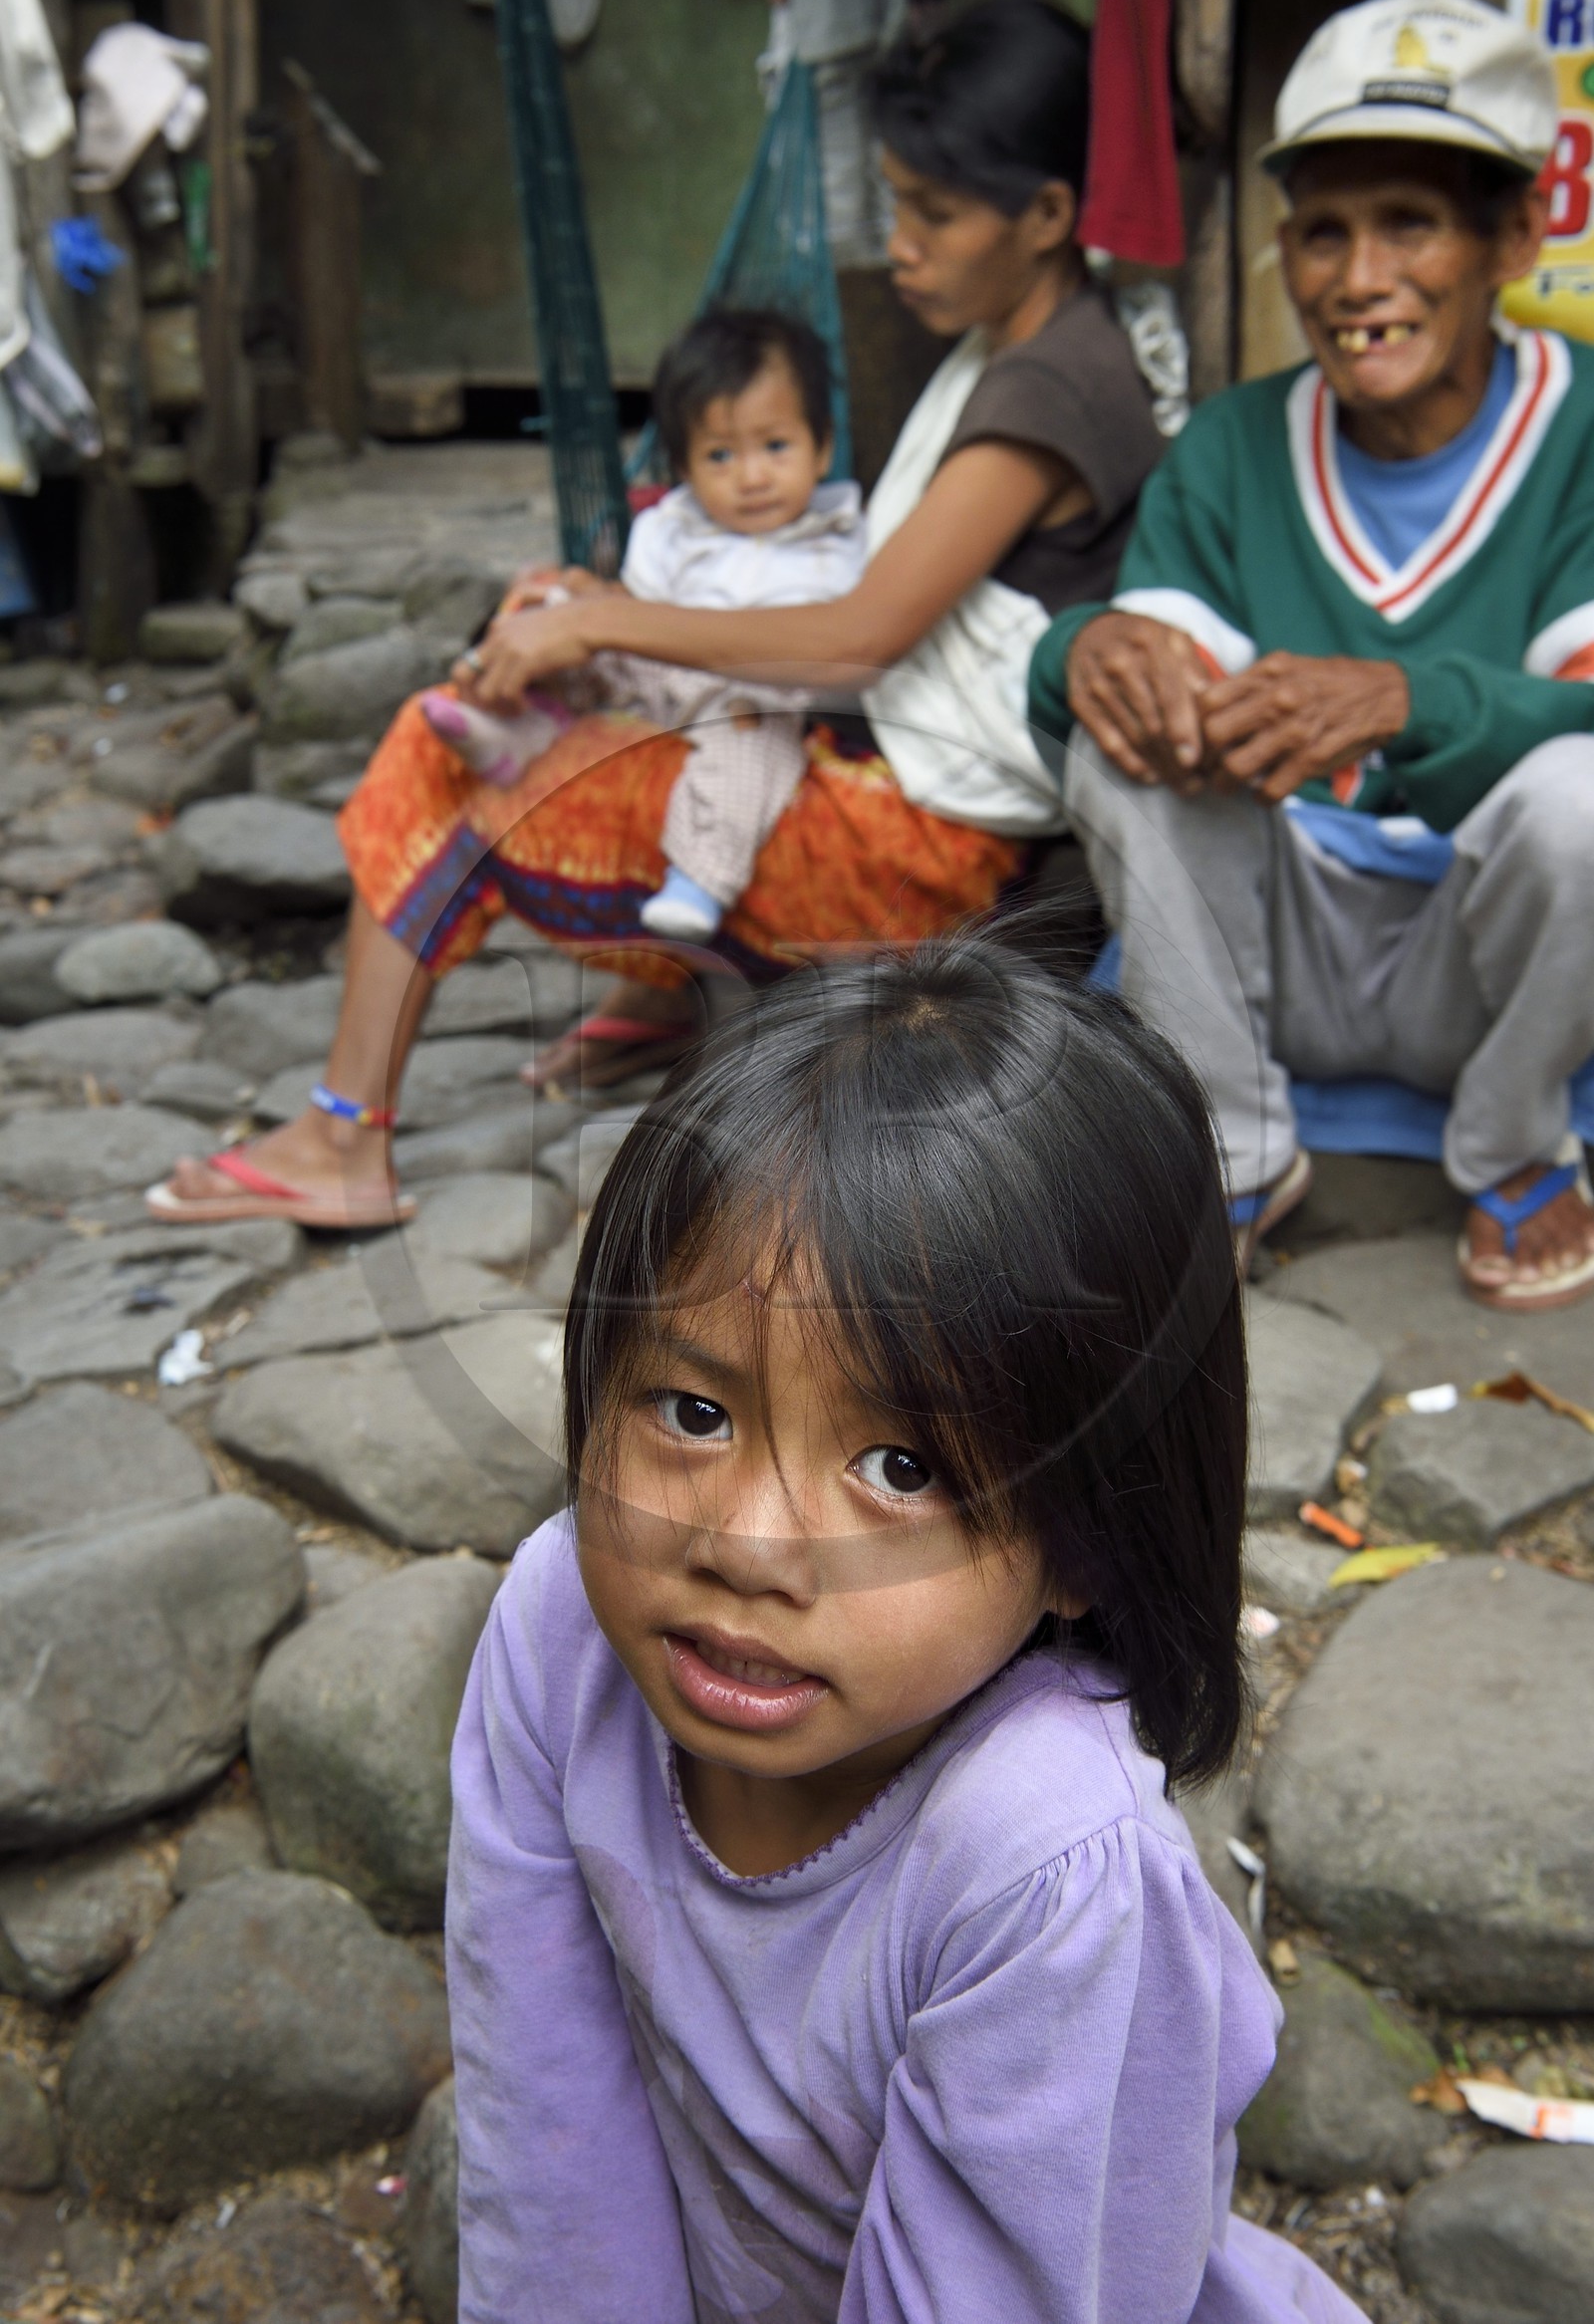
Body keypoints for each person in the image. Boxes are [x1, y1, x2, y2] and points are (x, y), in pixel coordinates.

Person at [446, 919, 1367, 2324]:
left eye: (904, 1466)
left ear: (1083, 1537)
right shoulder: (557, 1632)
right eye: (693, 1412)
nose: (748, 1544)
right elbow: (544, 2116)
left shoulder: (1047, 1864)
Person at [147, 0, 1164, 1231]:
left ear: (1049, 214)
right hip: (866, 788)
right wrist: (599, 610)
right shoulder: (1023, 347)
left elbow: (856, 635)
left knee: (441, 753)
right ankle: (669, 997)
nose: (900, 242)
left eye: (932, 213)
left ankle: (341, 1140)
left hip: (909, 856)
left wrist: (605, 624)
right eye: (896, 202)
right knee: (585, 704)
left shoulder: (1048, 388)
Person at [1030, 0, 1594, 1312]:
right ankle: (1230, 1152)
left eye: (1412, 225)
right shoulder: (1232, 444)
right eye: (1326, 233)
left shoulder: (1581, 433)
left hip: (1493, 959)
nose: (1360, 279)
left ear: (1513, 232)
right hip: (1267, 955)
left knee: (1588, 798)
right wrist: (1083, 653)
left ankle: (1512, 1138)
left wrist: (1409, 698)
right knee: (1123, 752)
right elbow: (1129, 685)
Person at [423, 309, 870, 945]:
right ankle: (515, 728)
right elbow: (633, 609)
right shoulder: (672, 526)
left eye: (776, 446)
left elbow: (831, 648)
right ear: (684, 466)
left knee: (752, 747)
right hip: (660, 674)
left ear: (822, 446)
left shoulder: (842, 541)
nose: (752, 476)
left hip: (748, 698)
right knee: (555, 604)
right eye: (721, 455)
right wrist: (577, 601)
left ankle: (702, 875)